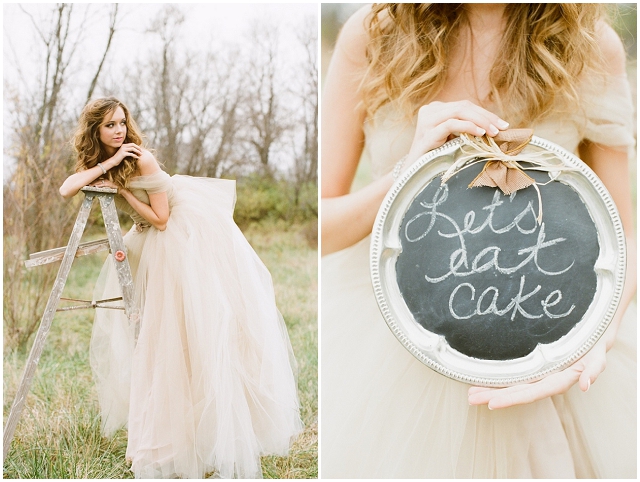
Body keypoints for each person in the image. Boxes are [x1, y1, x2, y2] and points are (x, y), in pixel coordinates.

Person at [321, 4, 636, 478]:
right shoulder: (373, 35)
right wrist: (410, 173)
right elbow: (323, 226)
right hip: (395, 336)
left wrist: (600, 334)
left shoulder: (587, 42)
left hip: (544, 325)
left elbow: (624, 230)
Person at [59, 97, 303, 478]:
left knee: (182, 337)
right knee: (157, 341)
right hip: (153, 241)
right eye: (109, 125)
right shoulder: (105, 162)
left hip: (183, 238)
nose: (119, 130)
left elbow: (160, 219)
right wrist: (106, 165)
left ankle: (202, 432)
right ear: (95, 131)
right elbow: (66, 189)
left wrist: (121, 192)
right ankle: (166, 433)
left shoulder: (143, 160)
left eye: (122, 122)